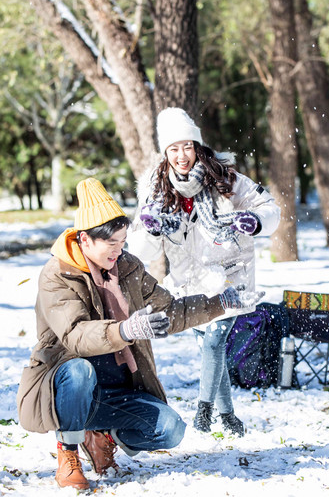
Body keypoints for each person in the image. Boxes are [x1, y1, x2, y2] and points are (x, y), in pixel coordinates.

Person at [16, 177, 261, 491]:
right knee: (78, 371)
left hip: (117, 388)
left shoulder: (128, 268)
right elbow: (75, 335)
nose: (119, 251)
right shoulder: (58, 274)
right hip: (66, 387)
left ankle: (101, 434)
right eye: (111, 244)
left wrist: (221, 303)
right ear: (85, 240)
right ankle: (68, 453)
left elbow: (170, 311)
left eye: (122, 241)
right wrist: (126, 329)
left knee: (170, 430)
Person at [128, 107, 281, 437]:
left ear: (197, 146)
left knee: (214, 343)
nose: (181, 155)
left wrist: (254, 222)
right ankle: (229, 416)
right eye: (173, 148)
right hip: (189, 284)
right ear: (165, 153)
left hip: (231, 276)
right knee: (210, 350)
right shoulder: (155, 193)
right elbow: (140, 252)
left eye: (187, 146)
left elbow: (270, 209)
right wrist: (151, 229)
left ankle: (204, 412)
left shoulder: (225, 178)